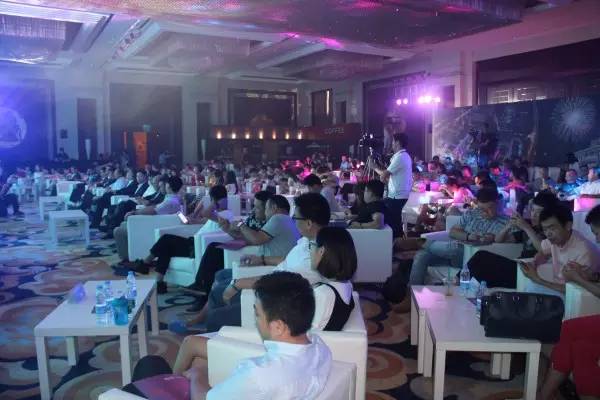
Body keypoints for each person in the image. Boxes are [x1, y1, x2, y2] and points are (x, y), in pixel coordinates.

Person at [172, 226, 357, 376]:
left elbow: (295, 340)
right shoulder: (342, 287)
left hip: (278, 357)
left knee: (190, 343)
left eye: (313, 247)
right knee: (199, 361)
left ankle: (170, 384)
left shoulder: (324, 294)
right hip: (288, 350)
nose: (311, 251)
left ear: (322, 251)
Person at [123, 272, 332, 400]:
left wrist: (198, 376)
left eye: (257, 314)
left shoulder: (258, 374)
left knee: (149, 364)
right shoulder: (320, 348)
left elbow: (204, 398)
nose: (256, 320)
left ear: (278, 326)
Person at [171, 193, 325, 334]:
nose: (293, 221)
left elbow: (285, 280)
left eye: (296, 218)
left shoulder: (314, 253)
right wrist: (261, 259)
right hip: (271, 280)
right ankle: (203, 322)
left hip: (276, 297)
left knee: (217, 311)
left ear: (309, 223)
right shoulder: (306, 243)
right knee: (220, 289)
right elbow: (286, 260)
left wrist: (239, 283)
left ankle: (203, 329)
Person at [538, 205, 600, 400]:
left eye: (599, 234)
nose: (597, 240)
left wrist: (579, 279)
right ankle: (545, 395)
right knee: (579, 346)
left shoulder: (584, 249)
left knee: (571, 331)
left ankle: (543, 396)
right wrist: (590, 276)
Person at [129, 185, 232, 294]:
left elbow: (205, 213)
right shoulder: (215, 214)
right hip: (193, 242)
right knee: (166, 247)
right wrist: (188, 219)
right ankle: (159, 282)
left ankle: (145, 263)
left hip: (197, 246)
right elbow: (200, 220)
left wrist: (215, 202)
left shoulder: (226, 214)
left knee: (166, 239)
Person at [408, 187, 514, 286]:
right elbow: (452, 232)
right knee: (422, 255)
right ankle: (412, 293)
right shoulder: (472, 213)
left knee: (455, 247)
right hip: (454, 253)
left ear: (497, 203)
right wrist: (468, 236)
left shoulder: (505, 222)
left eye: (489, 208)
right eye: (482, 209)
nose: (485, 212)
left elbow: (507, 242)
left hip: (472, 258)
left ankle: (419, 242)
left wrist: (487, 239)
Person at [519, 204, 600, 296]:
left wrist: (538, 280)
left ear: (568, 226)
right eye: (545, 229)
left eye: (552, 228)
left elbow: (574, 291)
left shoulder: (584, 251)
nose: (548, 234)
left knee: (532, 287)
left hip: (574, 297)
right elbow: (543, 252)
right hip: (560, 288)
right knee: (531, 287)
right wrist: (535, 262)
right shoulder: (557, 239)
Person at [113, 176, 183, 264]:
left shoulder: (170, 202)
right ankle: (127, 254)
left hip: (152, 227)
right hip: (156, 224)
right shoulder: (176, 200)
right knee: (123, 225)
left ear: (168, 186)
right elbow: (157, 208)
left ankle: (125, 258)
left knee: (118, 231)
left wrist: (135, 213)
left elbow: (154, 210)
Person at [374, 133, 413, 237]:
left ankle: (397, 241)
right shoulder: (403, 156)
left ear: (398, 143)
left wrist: (374, 167)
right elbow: (388, 176)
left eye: (393, 141)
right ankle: (398, 240)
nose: (391, 144)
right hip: (398, 194)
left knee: (393, 222)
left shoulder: (400, 157)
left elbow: (384, 175)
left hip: (397, 195)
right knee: (394, 220)